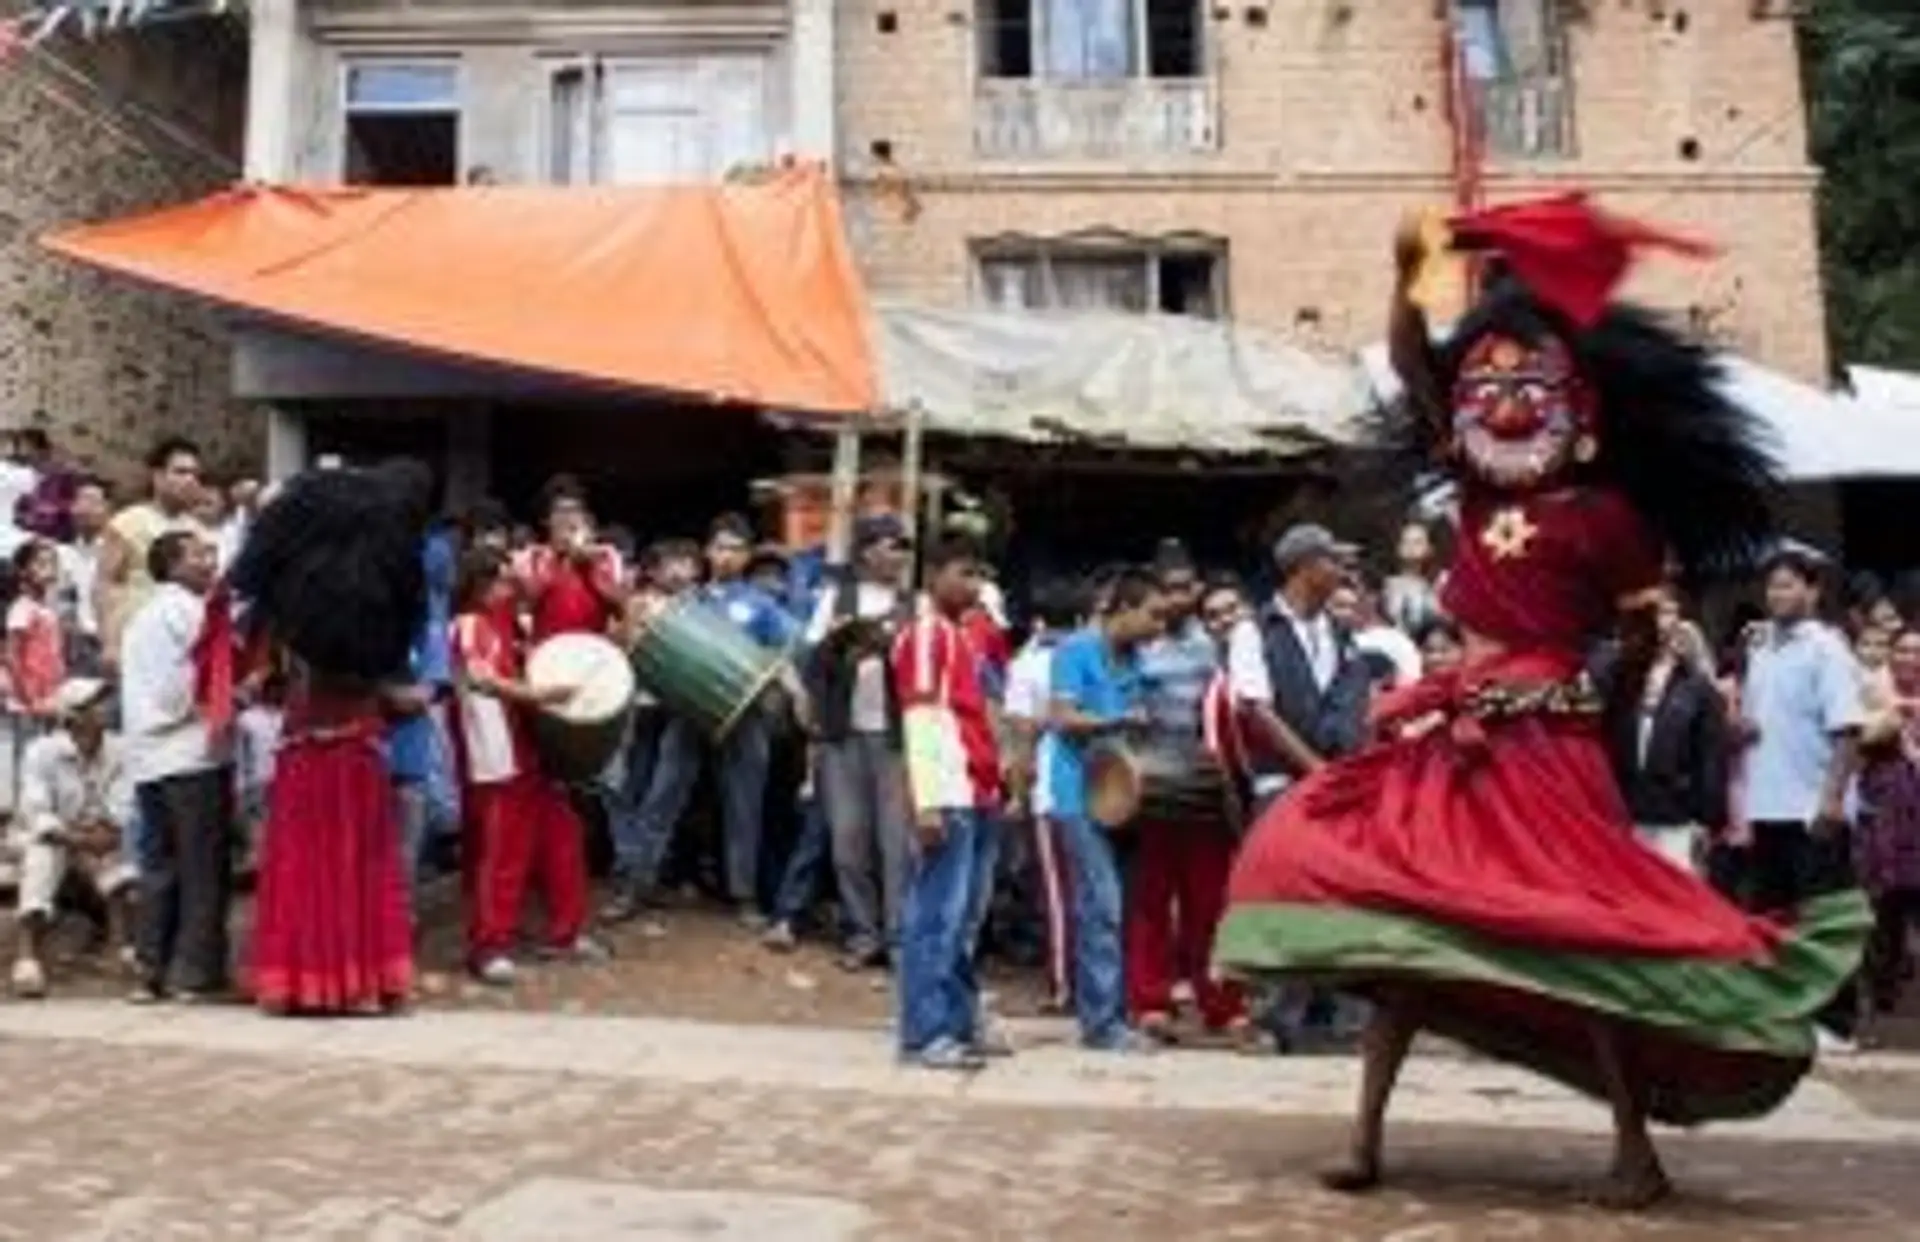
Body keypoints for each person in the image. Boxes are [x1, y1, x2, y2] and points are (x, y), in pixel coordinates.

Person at [1213, 199, 1866, 1209]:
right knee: (1396, 930)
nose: (1505, 400)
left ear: (1584, 408)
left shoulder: (1608, 517)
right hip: (1450, 740)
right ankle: (1366, 1138)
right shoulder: (1475, 493)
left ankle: (1634, 1151)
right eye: (1489, 382)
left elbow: (1641, 634)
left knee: (1580, 940)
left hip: (1547, 748)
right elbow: (1416, 366)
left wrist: (1591, 703)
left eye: (1531, 382)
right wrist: (1411, 276)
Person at [221, 469, 423, 1015]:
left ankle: (303, 983)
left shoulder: (290, 628)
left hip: (307, 755)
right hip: (354, 757)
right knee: (358, 867)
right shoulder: (361, 632)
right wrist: (400, 695)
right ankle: (360, 986)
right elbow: (376, 687)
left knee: (306, 869)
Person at [451, 547, 603, 985]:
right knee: (502, 855)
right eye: (501, 581)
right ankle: (488, 946)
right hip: (496, 761)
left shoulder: (509, 624)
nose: (508, 589)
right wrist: (543, 696)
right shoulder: (469, 625)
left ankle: (565, 933)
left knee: (563, 837)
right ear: (479, 586)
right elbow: (483, 680)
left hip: (528, 754)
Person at [1738, 546, 1867, 1051]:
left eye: (1790, 584)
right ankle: (1784, 1014)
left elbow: (1849, 731)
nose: (1779, 594)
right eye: (1773, 585)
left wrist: (1832, 800)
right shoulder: (1761, 648)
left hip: (1812, 809)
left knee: (1824, 919)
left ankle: (1838, 1023)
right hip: (1767, 807)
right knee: (1774, 918)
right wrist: (1741, 728)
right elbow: (1756, 722)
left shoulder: (1828, 648)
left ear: (1813, 592)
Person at [892, 538, 1008, 1070]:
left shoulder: (959, 637)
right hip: (950, 790)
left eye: (979, 575)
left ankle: (956, 1023)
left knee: (958, 918)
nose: (975, 585)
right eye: (965, 572)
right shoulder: (924, 637)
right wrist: (928, 802)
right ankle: (924, 1033)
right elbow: (919, 718)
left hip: (975, 790)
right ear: (934, 574)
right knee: (935, 916)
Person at [1126, 545, 1248, 1043]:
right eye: (1169, 589)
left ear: (1197, 591)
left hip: (1205, 785)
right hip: (1153, 781)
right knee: (1152, 898)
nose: (1179, 598)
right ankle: (1151, 1000)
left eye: (1186, 588)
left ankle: (1221, 1003)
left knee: (1211, 900)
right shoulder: (1138, 647)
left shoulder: (1217, 645)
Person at [1046, 567, 1166, 1053]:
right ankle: (1101, 1023)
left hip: (1122, 798)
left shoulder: (1136, 658)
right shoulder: (1075, 650)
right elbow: (1062, 717)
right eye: (1152, 614)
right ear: (1121, 609)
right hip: (1078, 794)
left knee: (1118, 909)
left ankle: (1111, 1014)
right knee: (1102, 907)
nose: (1159, 626)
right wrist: (1117, 719)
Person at [121, 529, 230, 1003]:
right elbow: (187, 683)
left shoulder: (140, 616)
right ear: (172, 565)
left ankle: (151, 967)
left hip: (148, 758)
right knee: (201, 865)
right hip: (189, 753)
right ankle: (191, 972)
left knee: (159, 864)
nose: (210, 562)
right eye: (199, 555)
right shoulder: (189, 612)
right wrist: (226, 698)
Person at [804, 513, 912, 968]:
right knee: (847, 841)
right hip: (842, 735)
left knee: (897, 843)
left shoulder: (915, 603)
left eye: (904, 546)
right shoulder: (835, 598)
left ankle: (900, 939)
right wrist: (839, 643)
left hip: (895, 737)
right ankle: (863, 934)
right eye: (893, 545)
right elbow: (810, 660)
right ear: (868, 550)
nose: (902, 554)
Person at [8, 677, 134, 998]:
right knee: (42, 856)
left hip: (99, 835)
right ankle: (27, 957)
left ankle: (121, 946)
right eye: (94, 704)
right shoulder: (42, 751)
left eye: (104, 701)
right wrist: (74, 839)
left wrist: (109, 830)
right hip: (55, 836)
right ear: (73, 716)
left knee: (118, 859)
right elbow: (36, 811)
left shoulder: (121, 750)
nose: (104, 708)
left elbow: (125, 802)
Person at [1595, 587, 1729, 875]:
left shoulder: (1698, 688)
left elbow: (1711, 760)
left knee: (1680, 899)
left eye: (1668, 612)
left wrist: (1706, 821)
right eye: (1652, 613)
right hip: (1624, 813)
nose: (1660, 620)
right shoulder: (1617, 678)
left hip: (1677, 817)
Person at [95, 436, 210, 671]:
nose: (189, 480)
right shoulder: (127, 523)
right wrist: (109, 642)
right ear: (158, 476)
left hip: (182, 646)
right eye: (180, 472)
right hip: (136, 641)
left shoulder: (198, 532)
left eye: (194, 474)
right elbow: (105, 583)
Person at [1857, 628, 1920, 1031]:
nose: (1909, 657)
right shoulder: (1870, 691)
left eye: (1916, 651)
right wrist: (1892, 715)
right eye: (1902, 649)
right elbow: (1857, 738)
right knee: (1886, 908)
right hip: (1886, 812)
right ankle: (1881, 1003)